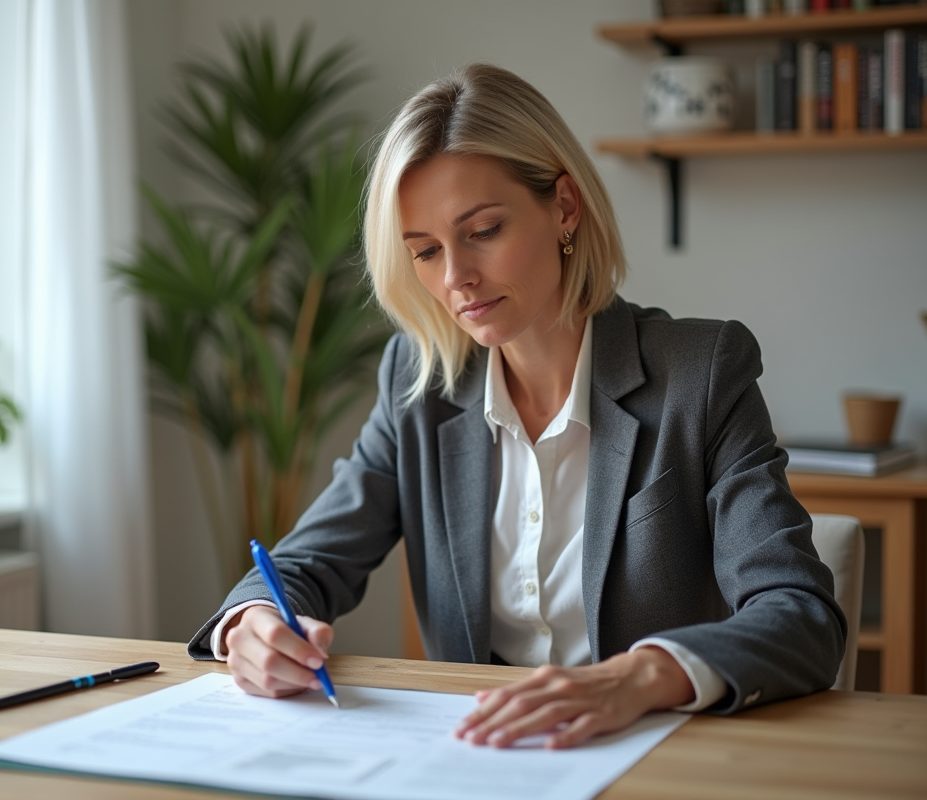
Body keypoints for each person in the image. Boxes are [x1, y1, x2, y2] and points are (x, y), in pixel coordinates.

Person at [187, 63, 844, 750]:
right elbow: (306, 564)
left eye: (483, 231)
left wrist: (643, 676)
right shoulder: (419, 385)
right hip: (480, 758)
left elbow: (800, 615)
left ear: (564, 206)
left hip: (655, 756)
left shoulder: (701, 374)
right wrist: (252, 623)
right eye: (426, 251)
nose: (455, 278)